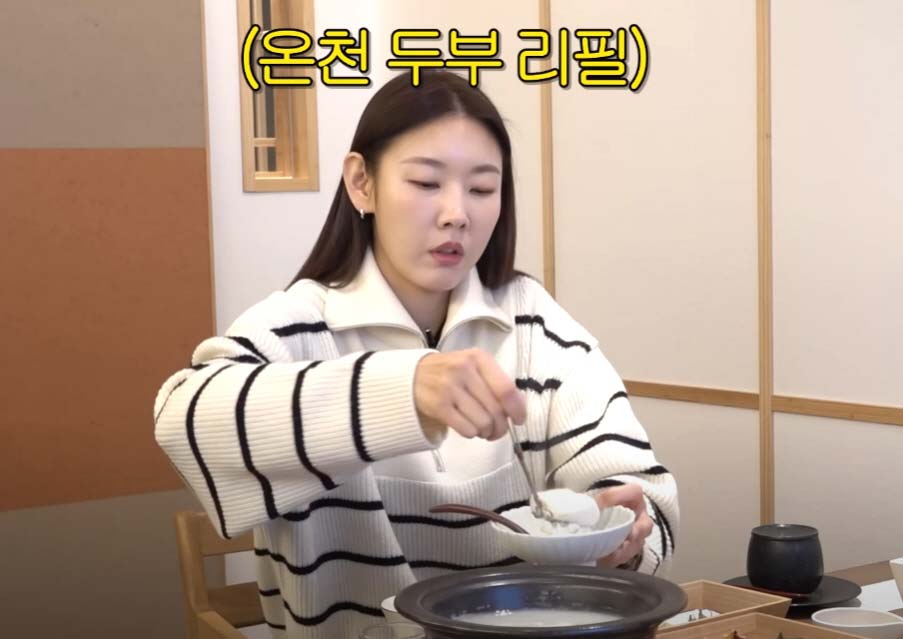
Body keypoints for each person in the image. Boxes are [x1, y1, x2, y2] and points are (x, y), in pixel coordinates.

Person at [154, 69, 678, 639]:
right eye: (427, 183)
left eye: (482, 189)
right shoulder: (299, 325)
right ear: (362, 184)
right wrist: (403, 391)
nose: (457, 213)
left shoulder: (530, 320)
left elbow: (634, 482)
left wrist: (624, 534)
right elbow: (184, 419)